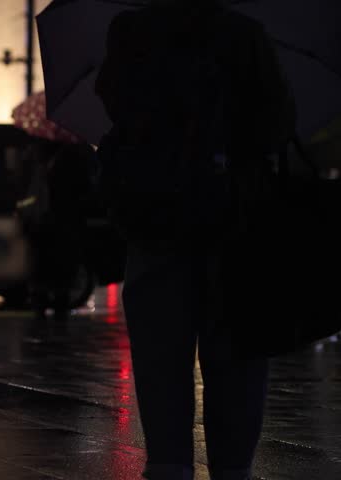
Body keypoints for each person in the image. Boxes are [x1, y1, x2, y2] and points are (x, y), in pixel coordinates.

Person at [96, 1, 295, 479]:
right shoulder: (243, 33)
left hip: (155, 215)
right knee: (237, 357)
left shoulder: (131, 30)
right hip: (232, 220)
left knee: (160, 356)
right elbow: (278, 122)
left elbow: (111, 101)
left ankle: (168, 464)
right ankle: (232, 469)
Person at [28, 141, 93, 321]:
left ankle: (53, 304)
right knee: (52, 266)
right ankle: (49, 303)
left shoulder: (63, 161)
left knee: (58, 265)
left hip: (60, 223)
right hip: (54, 223)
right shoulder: (47, 163)